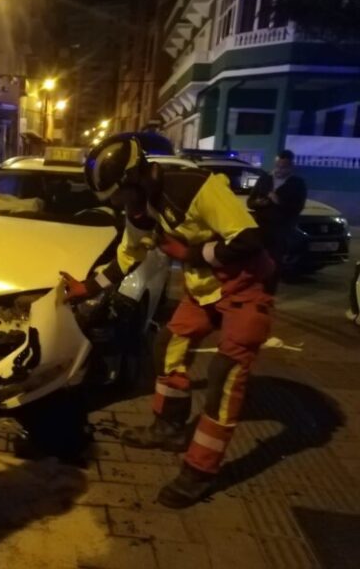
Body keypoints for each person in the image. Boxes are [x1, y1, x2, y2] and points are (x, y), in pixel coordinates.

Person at [61, 134, 273, 508]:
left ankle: (199, 472)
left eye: (119, 196)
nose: (120, 206)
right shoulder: (141, 208)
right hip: (204, 288)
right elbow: (129, 256)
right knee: (168, 346)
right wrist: (87, 288)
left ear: (137, 178)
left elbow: (250, 238)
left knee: (225, 377)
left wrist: (190, 252)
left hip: (246, 287)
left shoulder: (197, 188)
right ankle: (170, 427)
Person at [247, 150, 307, 293]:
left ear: (291, 166)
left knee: (274, 262)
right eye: (278, 166)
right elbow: (250, 202)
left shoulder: (297, 184)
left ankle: (269, 291)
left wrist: (279, 201)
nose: (280, 170)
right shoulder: (265, 179)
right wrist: (258, 202)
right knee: (257, 260)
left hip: (280, 231)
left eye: (284, 167)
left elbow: (297, 208)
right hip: (261, 228)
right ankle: (254, 288)